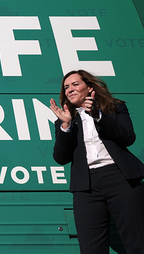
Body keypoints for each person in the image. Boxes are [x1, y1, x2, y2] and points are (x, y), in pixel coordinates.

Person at [50, 70, 144, 253]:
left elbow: (128, 137)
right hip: (86, 187)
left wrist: (98, 116)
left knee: (138, 242)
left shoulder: (114, 108)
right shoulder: (64, 121)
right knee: (91, 248)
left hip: (121, 178)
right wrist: (66, 127)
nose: (70, 89)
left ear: (89, 87)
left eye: (75, 84)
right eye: (66, 87)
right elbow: (60, 158)